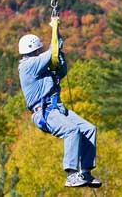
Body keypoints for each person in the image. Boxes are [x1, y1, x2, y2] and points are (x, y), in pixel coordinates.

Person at [18, 32, 102, 188]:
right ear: (35, 51)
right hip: (45, 112)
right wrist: (55, 29)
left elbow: (61, 70)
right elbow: (52, 52)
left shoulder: (42, 68)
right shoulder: (28, 66)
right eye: (38, 50)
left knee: (89, 129)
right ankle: (71, 175)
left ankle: (85, 173)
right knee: (72, 130)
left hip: (57, 108)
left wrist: (59, 49)